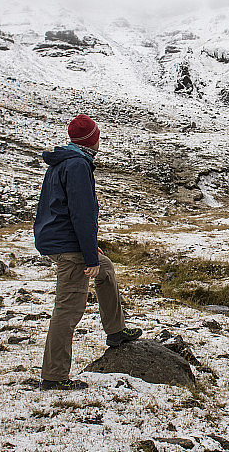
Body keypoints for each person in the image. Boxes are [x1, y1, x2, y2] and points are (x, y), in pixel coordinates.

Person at [33, 114, 142, 391]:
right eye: (98, 136)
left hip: (63, 239)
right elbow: (81, 213)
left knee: (105, 270)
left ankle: (116, 332)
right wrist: (87, 255)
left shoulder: (63, 163)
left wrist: (92, 250)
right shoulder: (78, 165)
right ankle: (55, 376)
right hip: (69, 247)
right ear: (92, 139)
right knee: (69, 309)